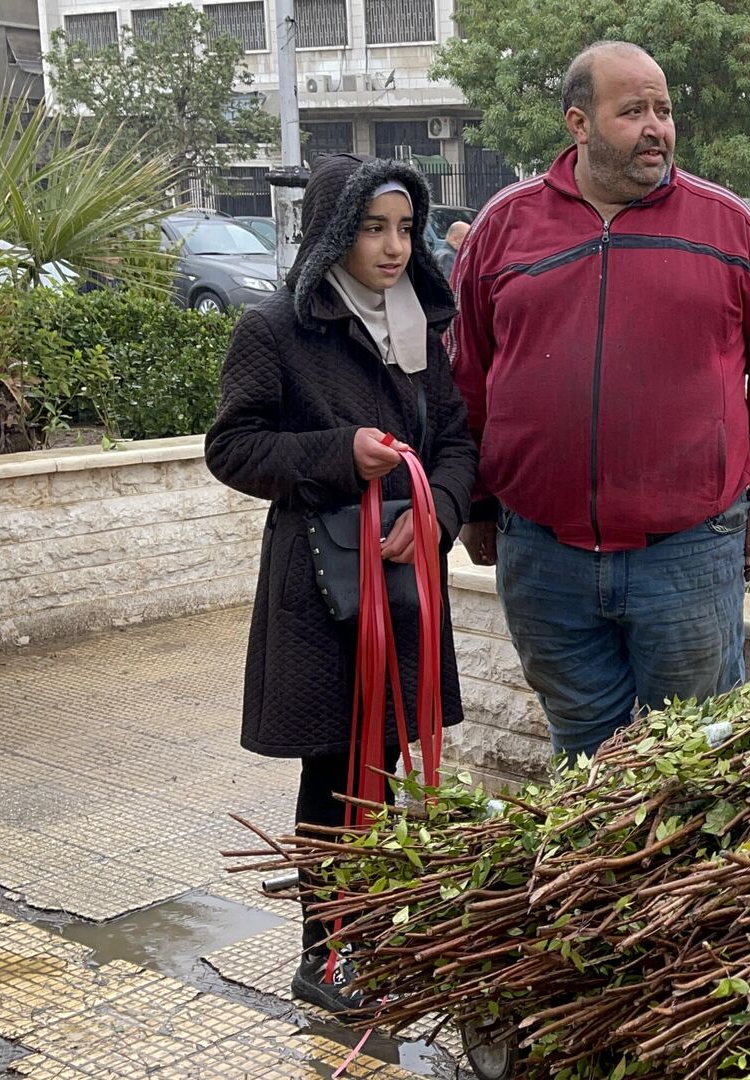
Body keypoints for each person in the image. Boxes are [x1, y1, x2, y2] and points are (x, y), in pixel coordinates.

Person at [450, 41, 750, 762]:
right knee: (585, 760)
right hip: (545, 558)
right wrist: (477, 504)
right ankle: (598, 877)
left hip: (688, 556)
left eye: (665, 110)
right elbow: (466, 376)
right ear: (579, 124)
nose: (657, 127)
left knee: (695, 763)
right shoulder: (503, 227)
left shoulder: (730, 228)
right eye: (634, 111)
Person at [205, 153, 478, 1013]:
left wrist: (437, 514)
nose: (395, 247)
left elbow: (462, 446)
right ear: (335, 231)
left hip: (404, 583)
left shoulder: (422, 326)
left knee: (387, 761)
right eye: (373, 228)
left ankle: (374, 931)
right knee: (336, 769)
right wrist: (338, 455)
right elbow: (233, 447)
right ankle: (325, 954)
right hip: (323, 590)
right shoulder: (274, 329)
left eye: (405, 228)